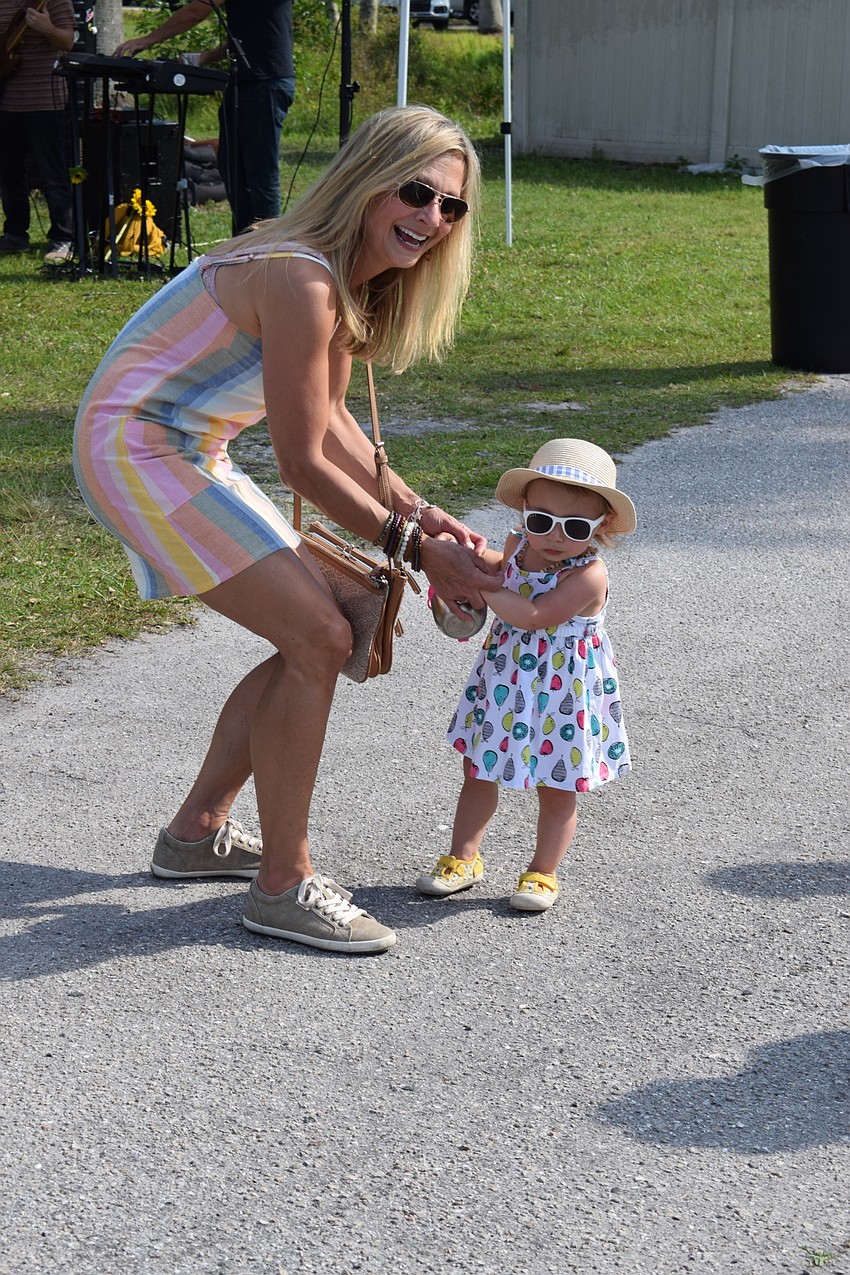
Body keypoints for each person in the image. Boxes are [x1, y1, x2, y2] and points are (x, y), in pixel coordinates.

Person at [73, 104, 500, 954]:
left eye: (451, 206)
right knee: (317, 633)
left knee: (317, 631)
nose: (432, 219)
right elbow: (304, 462)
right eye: (417, 192)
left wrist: (421, 515)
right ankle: (283, 882)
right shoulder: (302, 274)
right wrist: (417, 551)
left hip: (186, 443)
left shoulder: (338, 275)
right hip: (138, 444)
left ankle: (197, 833)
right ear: (371, 181)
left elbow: (334, 420)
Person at [416, 438, 636, 913]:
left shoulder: (588, 575)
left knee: (558, 784)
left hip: (564, 689)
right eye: (541, 521)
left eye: (574, 526)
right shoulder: (519, 544)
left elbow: (534, 615)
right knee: (478, 768)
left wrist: (480, 585)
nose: (554, 537)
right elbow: (505, 570)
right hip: (508, 678)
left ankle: (542, 872)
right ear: (525, 511)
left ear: (603, 526)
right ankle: (463, 857)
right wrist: (471, 558)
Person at [115, 0, 294, 234]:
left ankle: (266, 251)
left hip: (265, 82)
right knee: (233, 170)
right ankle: (242, 245)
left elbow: (197, 11)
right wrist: (204, 58)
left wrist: (146, 40)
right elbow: (245, 38)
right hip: (243, 83)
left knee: (260, 175)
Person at [0, 0, 75, 263]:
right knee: (9, 175)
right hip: (5, 99)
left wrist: (47, 28)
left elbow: (67, 42)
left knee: (52, 175)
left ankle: (63, 238)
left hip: (44, 100)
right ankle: (15, 235)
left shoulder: (51, 1)